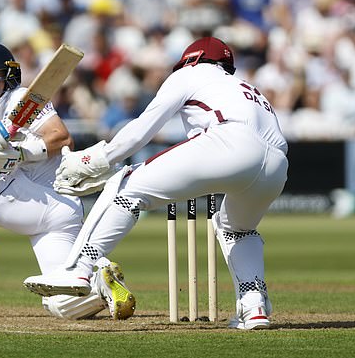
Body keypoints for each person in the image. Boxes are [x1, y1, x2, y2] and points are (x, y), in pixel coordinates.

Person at [23, 37, 288, 330]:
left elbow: (142, 129)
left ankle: (78, 270)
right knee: (236, 229)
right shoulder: (249, 88)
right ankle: (254, 307)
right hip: (276, 165)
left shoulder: (189, 73)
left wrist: (97, 159)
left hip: (229, 142)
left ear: (191, 59)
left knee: (127, 185)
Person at [0, 42, 136, 320]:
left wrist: (18, 154)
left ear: (8, 76)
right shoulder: (2, 113)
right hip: (57, 213)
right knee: (61, 302)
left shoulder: (22, 98)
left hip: (44, 201)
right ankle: (100, 283)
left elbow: (62, 137)